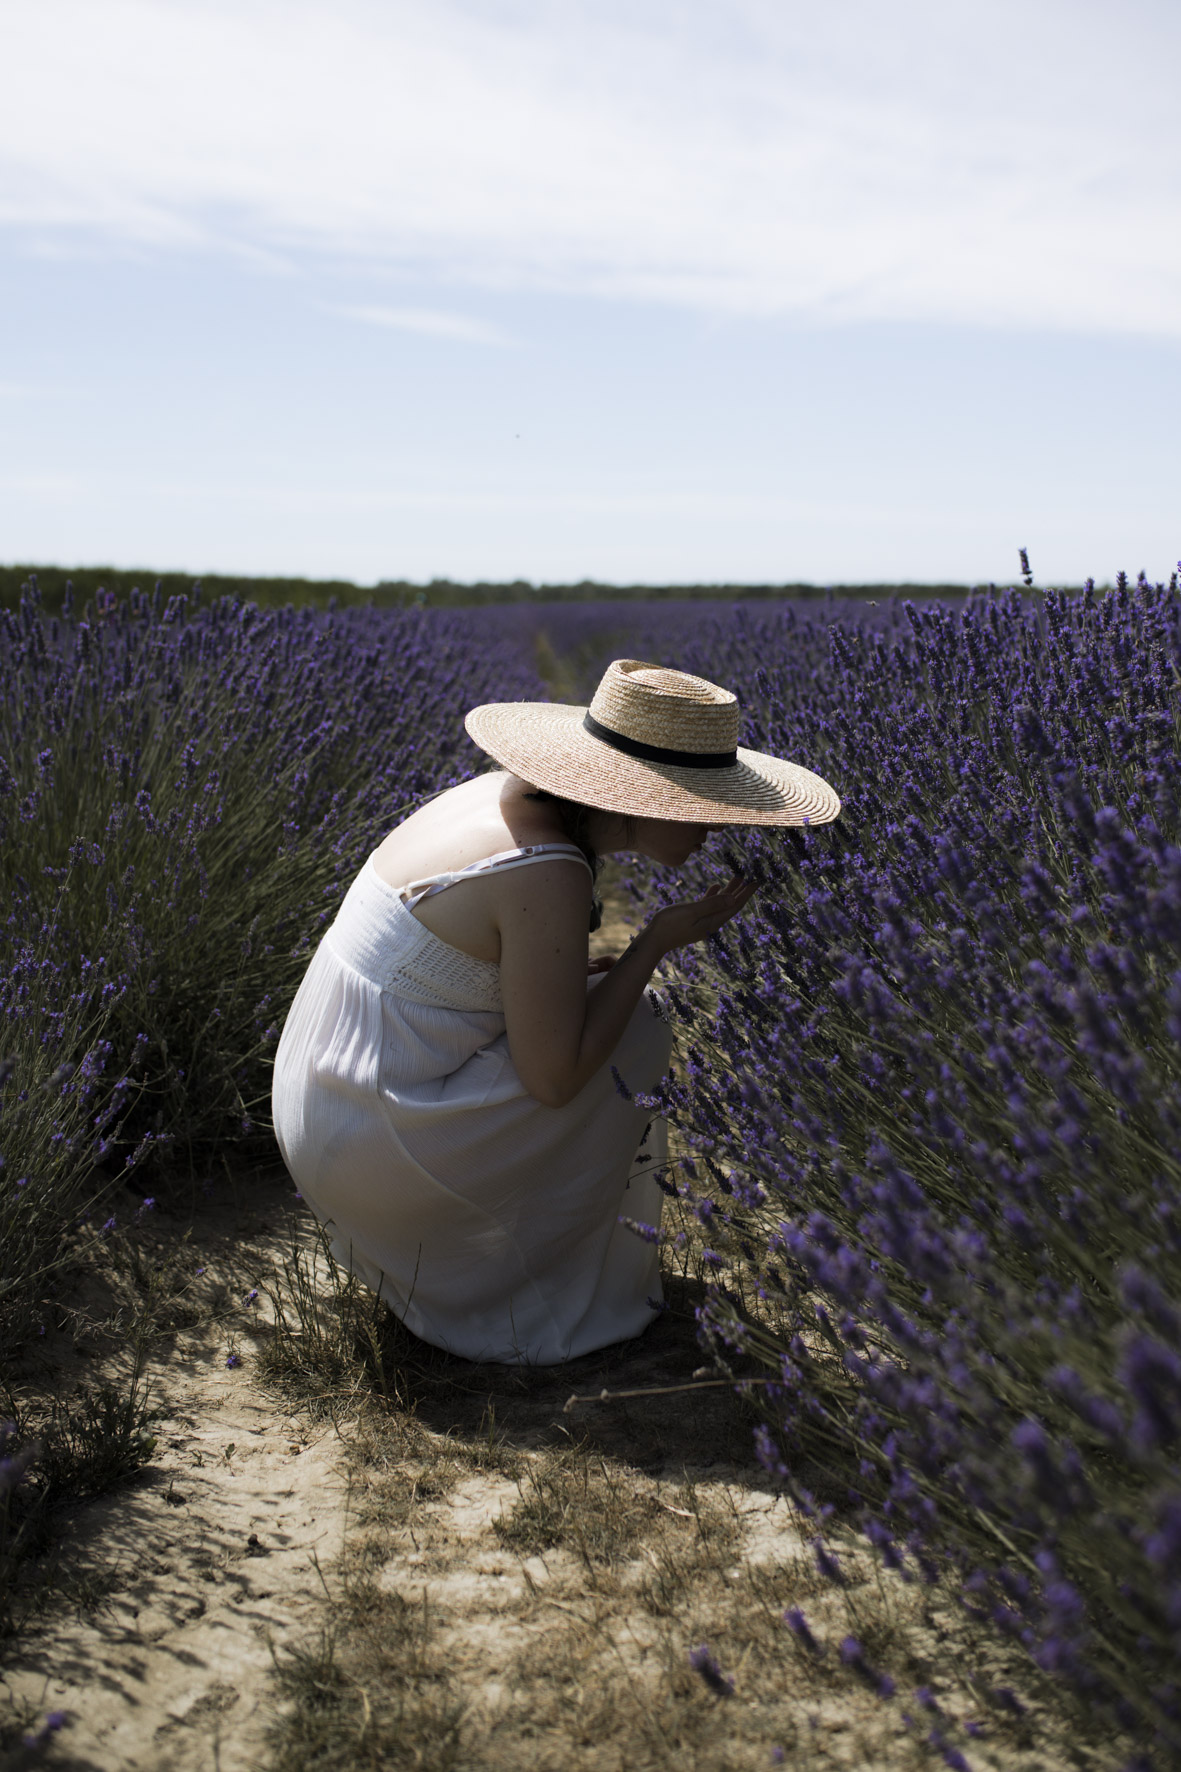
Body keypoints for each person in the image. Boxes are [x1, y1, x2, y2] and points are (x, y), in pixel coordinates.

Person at [271, 658, 840, 1365]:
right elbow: (555, 1080)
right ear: (645, 797)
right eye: (704, 805)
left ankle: (493, 1248)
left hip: (327, 1108)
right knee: (637, 1026)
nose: (714, 830)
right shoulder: (546, 868)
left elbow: (455, 969)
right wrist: (654, 943)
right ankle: (522, 1280)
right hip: (383, 1149)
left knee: (609, 1006)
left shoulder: (495, 799)